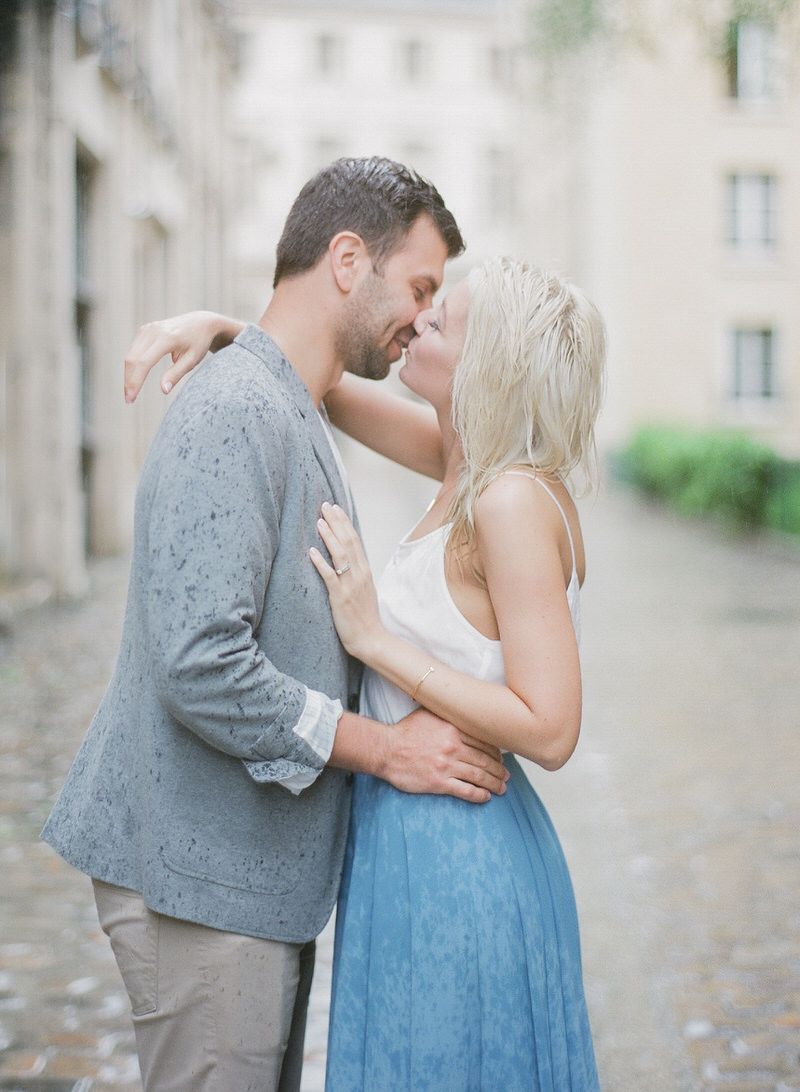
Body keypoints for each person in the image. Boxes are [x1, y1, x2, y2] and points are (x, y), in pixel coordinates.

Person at [42, 157, 511, 1092]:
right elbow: (201, 662)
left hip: (243, 888)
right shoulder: (235, 411)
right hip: (199, 885)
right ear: (348, 259)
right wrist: (384, 750)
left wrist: (227, 326)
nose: (424, 315)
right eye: (419, 286)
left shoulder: (283, 397)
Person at [126, 256, 607, 1089]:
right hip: (407, 838)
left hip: (462, 850)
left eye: (441, 320)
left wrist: (378, 642)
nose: (418, 323)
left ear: (487, 364)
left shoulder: (510, 500)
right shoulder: (462, 462)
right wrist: (229, 329)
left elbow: (553, 727)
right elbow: (329, 389)